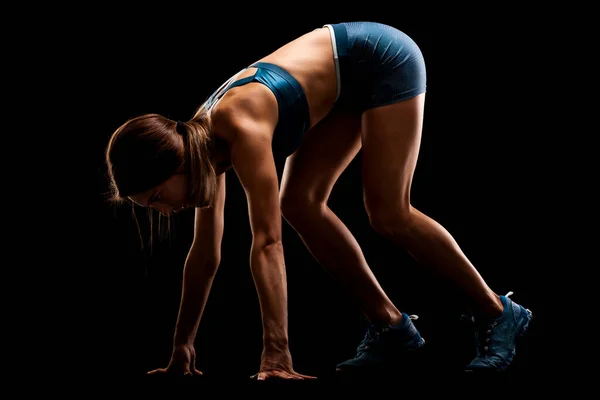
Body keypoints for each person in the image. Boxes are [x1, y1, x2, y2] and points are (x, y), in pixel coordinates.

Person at [105, 21, 533, 380]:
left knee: (388, 213)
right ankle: (391, 327)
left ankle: (497, 311)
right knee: (301, 204)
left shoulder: (240, 126)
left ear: (175, 164)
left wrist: (277, 354)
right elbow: (204, 257)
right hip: (342, 83)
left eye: (158, 197)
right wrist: (182, 346)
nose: (164, 210)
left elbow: (267, 242)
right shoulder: (199, 147)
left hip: (379, 58)